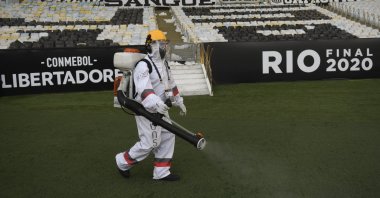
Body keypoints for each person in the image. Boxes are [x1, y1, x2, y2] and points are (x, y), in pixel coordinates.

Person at [115, 30, 187, 181]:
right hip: (146, 109)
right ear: (151, 45)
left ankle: (161, 172)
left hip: (161, 107)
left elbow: (171, 84)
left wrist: (179, 101)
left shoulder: (164, 64)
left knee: (168, 135)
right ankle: (122, 161)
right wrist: (158, 104)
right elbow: (144, 91)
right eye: (162, 44)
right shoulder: (143, 65)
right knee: (150, 143)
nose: (165, 47)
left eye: (165, 44)